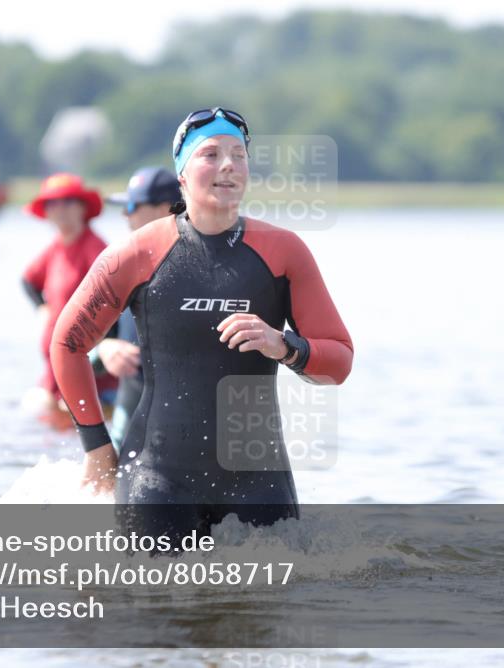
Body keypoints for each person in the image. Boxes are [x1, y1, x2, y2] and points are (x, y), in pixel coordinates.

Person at [51, 108, 353, 540]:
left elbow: (339, 362)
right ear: (182, 173)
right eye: (211, 154)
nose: (228, 165)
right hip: (157, 480)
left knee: (279, 583)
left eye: (238, 155)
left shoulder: (284, 252)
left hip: (258, 483)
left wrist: (284, 345)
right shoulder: (136, 253)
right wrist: (96, 447)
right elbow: (67, 344)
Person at [90, 167, 183, 448]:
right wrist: (105, 349)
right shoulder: (125, 265)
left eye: (131, 207)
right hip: (132, 406)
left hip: (187, 420)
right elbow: (79, 345)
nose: (124, 214)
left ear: (164, 209)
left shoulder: (202, 265)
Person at [21, 173, 116, 428]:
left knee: (75, 427)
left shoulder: (95, 248)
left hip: (87, 369)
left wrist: (101, 347)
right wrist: (41, 307)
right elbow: (28, 280)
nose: (60, 209)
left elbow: (114, 297)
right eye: (52, 203)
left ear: (82, 207)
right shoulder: (55, 249)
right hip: (54, 368)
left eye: (68, 202)